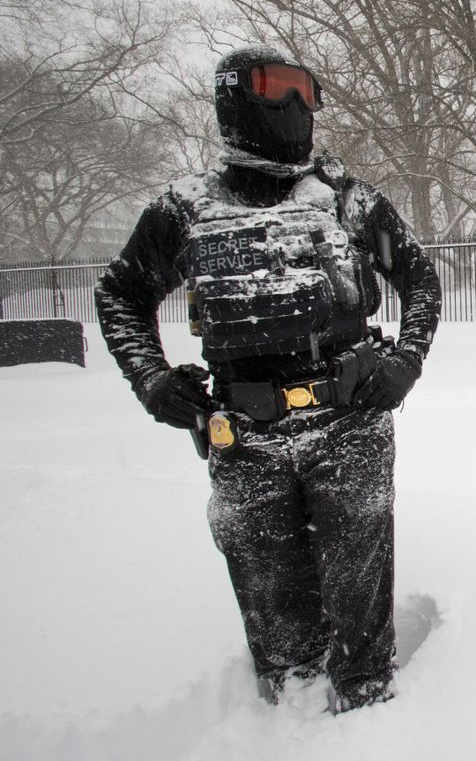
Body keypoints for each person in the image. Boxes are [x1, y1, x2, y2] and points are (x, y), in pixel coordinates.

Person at [95, 44, 442, 713]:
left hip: (349, 428)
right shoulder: (187, 209)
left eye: (303, 91)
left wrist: (406, 361)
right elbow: (121, 295)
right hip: (244, 440)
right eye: (275, 88)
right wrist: (152, 380)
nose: (293, 107)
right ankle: (287, 723)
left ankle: (370, 716)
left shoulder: (347, 201)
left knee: (359, 607)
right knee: (277, 619)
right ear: (235, 99)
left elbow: (421, 278)